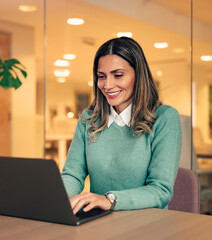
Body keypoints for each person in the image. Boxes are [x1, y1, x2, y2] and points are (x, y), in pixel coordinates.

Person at [61, 37, 182, 214]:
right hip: (101, 222)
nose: (107, 85)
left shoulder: (164, 118)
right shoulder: (88, 118)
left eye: (118, 75)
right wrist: (53, 198)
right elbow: (72, 175)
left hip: (148, 224)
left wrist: (109, 200)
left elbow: (160, 190)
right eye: (101, 77)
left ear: (138, 75)